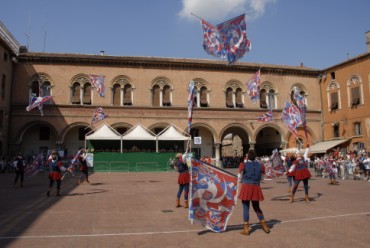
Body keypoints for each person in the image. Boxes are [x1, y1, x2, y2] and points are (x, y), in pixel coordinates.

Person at [238, 149, 270, 235]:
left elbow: (240, 176)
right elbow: (262, 178)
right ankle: (265, 226)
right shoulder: (261, 165)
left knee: (246, 207)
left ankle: (246, 229)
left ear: (248, 156)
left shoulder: (243, 164)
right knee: (256, 207)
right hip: (256, 186)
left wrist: (242, 179)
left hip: (246, 186)